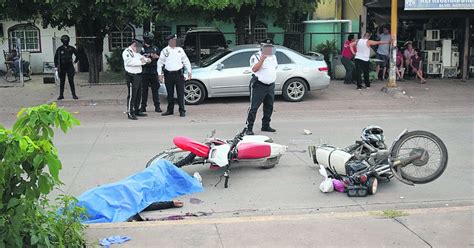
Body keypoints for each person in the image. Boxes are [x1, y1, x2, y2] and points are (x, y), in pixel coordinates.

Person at [245, 39, 278, 136]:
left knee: (269, 106)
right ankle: (249, 127)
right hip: (259, 85)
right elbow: (254, 69)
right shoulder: (256, 56)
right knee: (253, 107)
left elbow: (274, 68)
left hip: (270, 85)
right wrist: (262, 59)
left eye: (270, 47)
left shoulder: (273, 56)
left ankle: (266, 125)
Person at [157, 34, 192, 117]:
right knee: (170, 94)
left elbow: (186, 60)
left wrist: (189, 71)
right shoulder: (165, 51)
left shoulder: (180, 50)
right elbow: (160, 63)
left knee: (180, 93)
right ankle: (170, 110)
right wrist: (159, 74)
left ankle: (182, 110)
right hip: (168, 74)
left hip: (179, 74)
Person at [123, 39, 151, 120]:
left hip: (138, 75)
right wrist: (141, 62)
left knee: (138, 94)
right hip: (131, 76)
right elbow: (129, 62)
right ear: (134, 45)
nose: (140, 49)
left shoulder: (136, 53)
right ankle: (130, 112)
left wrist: (147, 60)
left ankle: (136, 110)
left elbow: (143, 58)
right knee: (132, 95)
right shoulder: (127, 52)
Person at [139, 32, 162, 113]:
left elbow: (161, 59)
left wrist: (156, 56)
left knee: (155, 90)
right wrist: (146, 58)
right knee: (144, 90)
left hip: (153, 71)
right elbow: (139, 59)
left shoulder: (155, 48)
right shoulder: (141, 49)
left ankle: (157, 106)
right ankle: (143, 107)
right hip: (144, 72)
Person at [54, 35, 79, 100]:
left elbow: (77, 55)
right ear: (62, 41)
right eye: (64, 40)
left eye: (66, 40)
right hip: (62, 67)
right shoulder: (59, 49)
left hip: (70, 66)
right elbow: (56, 58)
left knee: (71, 81)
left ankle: (74, 95)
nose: (65, 42)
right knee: (62, 81)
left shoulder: (71, 48)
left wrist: (75, 62)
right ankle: (61, 95)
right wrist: (56, 66)